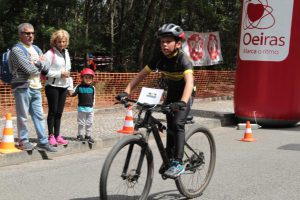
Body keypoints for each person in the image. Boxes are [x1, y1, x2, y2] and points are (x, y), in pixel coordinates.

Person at [116, 23, 194, 179]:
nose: (164, 44)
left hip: (186, 93)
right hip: (172, 93)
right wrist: (126, 91)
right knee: (169, 125)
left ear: (178, 44)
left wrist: (183, 102)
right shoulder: (158, 57)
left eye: (168, 41)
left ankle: (177, 163)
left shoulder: (183, 59)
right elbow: (141, 75)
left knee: (177, 124)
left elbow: (189, 83)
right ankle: (169, 159)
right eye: (162, 41)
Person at [9, 23, 56, 152]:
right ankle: (23, 141)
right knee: (22, 116)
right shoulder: (16, 50)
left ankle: (43, 141)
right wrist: (40, 63)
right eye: (27, 33)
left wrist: (36, 63)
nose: (30, 35)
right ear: (20, 35)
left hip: (36, 87)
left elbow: (46, 68)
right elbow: (29, 69)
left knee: (39, 115)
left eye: (32, 33)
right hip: (22, 87)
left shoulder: (36, 48)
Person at [44, 29, 73, 146]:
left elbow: (69, 71)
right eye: (59, 41)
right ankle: (50, 136)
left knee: (59, 113)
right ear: (55, 42)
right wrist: (59, 74)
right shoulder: (49, 54)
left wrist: (70, 86)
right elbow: (44, 71)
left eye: (64, 41)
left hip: (64, 86)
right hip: (52, 86)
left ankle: (58, 135)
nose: (62, 44)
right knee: (53, 111)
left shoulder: (66, 53)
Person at [70, 68, 95, 144]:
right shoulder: (79, 87)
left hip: (90, 109)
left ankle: (88, 135)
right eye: (86, 77)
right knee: (81, 123)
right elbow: (73, 94)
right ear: (82, 78)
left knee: (89, 123)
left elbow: (94, 98)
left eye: (90, 77)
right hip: (81, 109)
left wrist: (93, 107)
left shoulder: (92, 88)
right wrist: (69, 90)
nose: (88, 79)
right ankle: (80, 135)